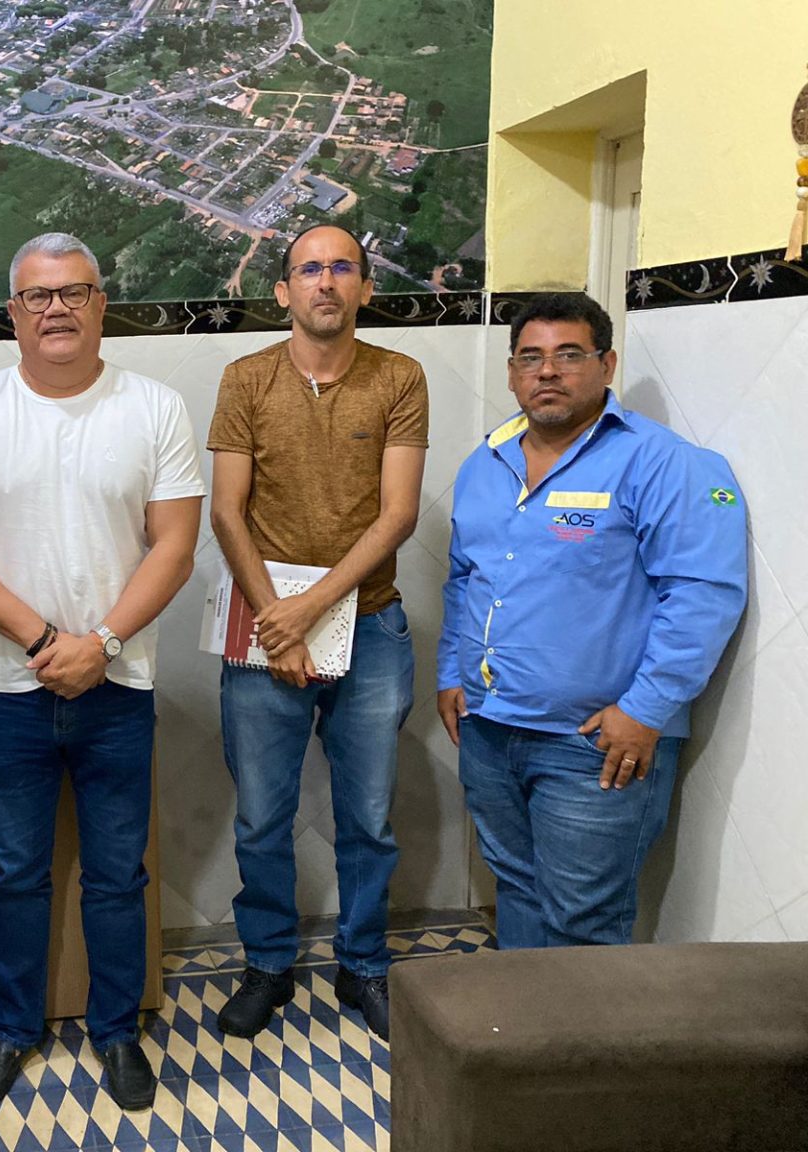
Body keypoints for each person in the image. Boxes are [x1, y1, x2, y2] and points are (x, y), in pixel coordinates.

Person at [0, 232, 204, 1111]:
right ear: (13, 312)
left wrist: (103, 642)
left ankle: (116, 1031)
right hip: (9, 690)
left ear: (100, 304)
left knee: (119, 874)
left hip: (120, 687)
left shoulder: (154, 407)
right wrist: (48, 640)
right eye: (37, 295)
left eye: (74, 292)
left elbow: (176, 546)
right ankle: (14, 1031)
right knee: (14, 872)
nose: (56, 309)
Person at [437, 292, 747, 948]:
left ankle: (575, 1025)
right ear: (512, 373)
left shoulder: (665, 463)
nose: (547, 371)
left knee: (583, 925)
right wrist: (451, 673)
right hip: (489, 731)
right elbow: (464, 578)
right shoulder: (485, 462)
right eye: (530, 357)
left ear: (607, 365)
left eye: (569, 355)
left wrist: (646, 710)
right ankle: (522, 1018)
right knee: (516, 888)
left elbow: (703, 595)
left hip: (593, 745)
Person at [208, 223, 428, 1043]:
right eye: (309, 269)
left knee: (367, 818)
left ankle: (363, 962)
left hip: (368, 624)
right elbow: (226, 512)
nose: (325, 282)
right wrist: (279, 620)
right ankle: (267, 961)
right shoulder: (246, 378)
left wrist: (311, 609)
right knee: (261, 817)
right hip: (263, 625)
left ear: (365, 287)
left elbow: (398, 514)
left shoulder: (399, 376)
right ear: (283, 291)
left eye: (342, 268)